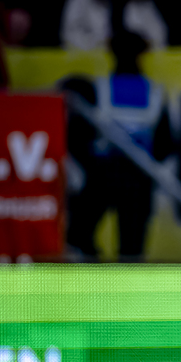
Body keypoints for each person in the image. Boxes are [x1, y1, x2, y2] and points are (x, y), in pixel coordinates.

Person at [63, 31, 171, 260]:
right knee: (131, 250)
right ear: (142, 55)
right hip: (138, 178)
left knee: (80, 236)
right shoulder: (154, 93)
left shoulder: (99, 89)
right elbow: (165, 143)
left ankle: (93, 276)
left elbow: (79, 137)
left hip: (102, 175)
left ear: (111, 54)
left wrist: (90, 165)